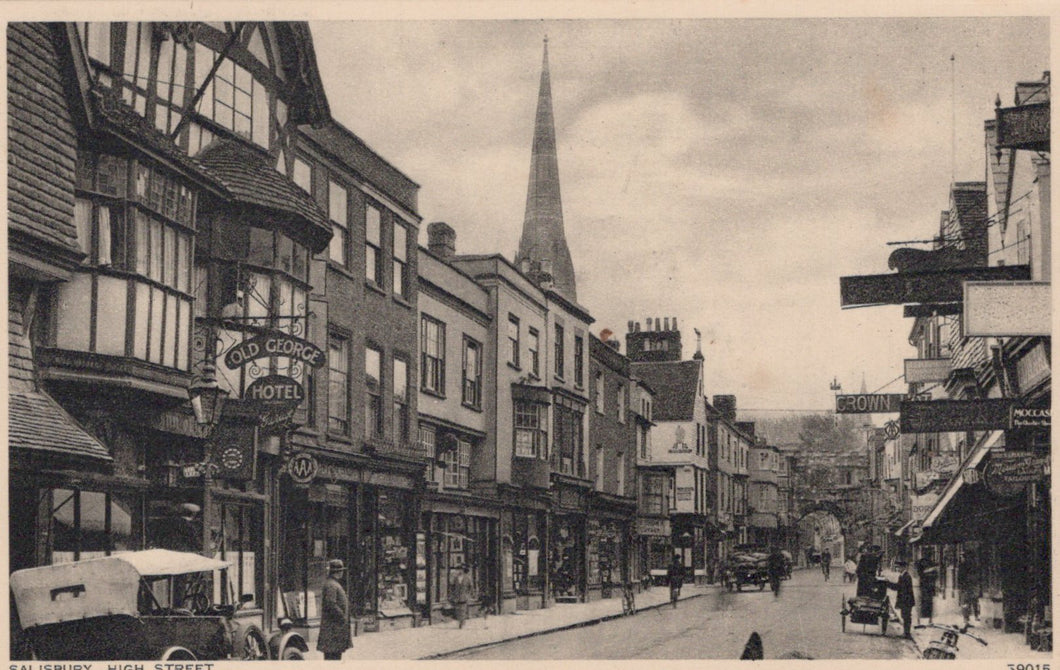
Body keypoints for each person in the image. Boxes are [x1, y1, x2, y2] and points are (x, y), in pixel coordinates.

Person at [317, 559, 351, 660]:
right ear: (338, 572)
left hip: (334, 629)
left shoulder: (332, 583)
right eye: (341, 571)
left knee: (335, 656)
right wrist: (342, 617)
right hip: (333, 630)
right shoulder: (332, 585)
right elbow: (331, 605)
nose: (342, 573)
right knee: (333, 658)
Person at [887, 560, 916, 639]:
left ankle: (907, 633)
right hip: (905, 600)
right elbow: (898, 587)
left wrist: (889, 584)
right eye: (897, 567)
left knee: (907, 617)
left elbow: (900, 588)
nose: (898, 569)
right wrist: (888, 583)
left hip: (907, 600)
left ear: (903, 567)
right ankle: (906, 632)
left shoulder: (907, 576)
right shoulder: (902, 576)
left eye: (899, 567)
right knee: (904, 616)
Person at [916, 556, 938, 622]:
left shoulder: (925, 564)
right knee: (925, 602)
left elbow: (935, 576)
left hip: (927, 587)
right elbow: (921, 574)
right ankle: (926, 619)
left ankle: (926, 619)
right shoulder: (923, 564)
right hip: (926, 587)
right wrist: (929, 571)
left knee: (926, 602)